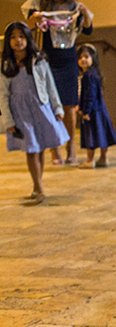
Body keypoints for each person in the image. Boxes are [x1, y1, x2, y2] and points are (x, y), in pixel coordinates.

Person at [22, 0, 93, 165]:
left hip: (68, 60)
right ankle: (55, 149)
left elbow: (88, 29)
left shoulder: (73, 6)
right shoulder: (39, 4)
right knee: (50, 105)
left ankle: (71, 147)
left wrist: (85, 12)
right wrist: (35, 18)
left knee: (69, 105)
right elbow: (26, 27)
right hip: (47, 60)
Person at [0, 22, 70, 204]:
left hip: (41, 108)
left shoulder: (39, 60)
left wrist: (57, 108)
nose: (18, 41)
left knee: (40, 149)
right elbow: (3, 95)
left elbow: (49, 85)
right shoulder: (6, 65)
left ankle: (37, 185)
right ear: (8, 41)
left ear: (28, 38)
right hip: (21, 113)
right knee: (31, 149)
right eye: (13, 37)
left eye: (21, 36)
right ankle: (38, 187)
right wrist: (8, 120)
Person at [76, 44, 116, 168]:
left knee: (91, 137)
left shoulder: (88, 76)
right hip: (100, 110)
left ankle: (90, 160)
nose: (83, 59)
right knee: (102, 135)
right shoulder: (94, 74)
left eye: (86, 56)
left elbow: (90, 95)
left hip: (92, 112)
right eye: (80, 57)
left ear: (93, 58)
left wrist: (85, 111)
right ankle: (103, 158)